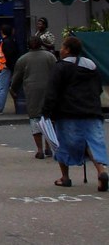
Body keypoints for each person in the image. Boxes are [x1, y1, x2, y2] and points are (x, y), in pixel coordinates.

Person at [41, 36, 109, 191]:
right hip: (92, 111)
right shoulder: (91, 65)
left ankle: (65, 177)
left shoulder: (60, 67)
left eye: (63, 47)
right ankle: (101, 172)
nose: (61, 50)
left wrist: (46, 112)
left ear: (68, 50)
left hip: (67, 112)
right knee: (93, 143)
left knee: (62, 144)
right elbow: (98, 89)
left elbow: (52, 92)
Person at [11, 35, 58, 159]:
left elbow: (17, 78)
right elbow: (57, 73)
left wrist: (13, 89)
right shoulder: (50, 57)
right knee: (48, 119)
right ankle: (49, 147)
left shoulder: (23, 59)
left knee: (35, 119)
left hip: (32, 92)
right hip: (49, 91)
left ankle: (40, 150)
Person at [0, 23, 20, 114]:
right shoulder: (10, 41)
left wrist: (7, 65)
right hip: (6, 67)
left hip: (5, 67)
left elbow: (8, 55)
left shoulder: (5, 42)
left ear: (2, 32)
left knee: (1, 87)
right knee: (1, 87)